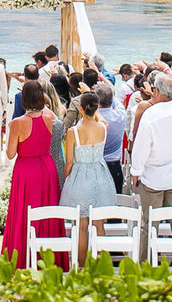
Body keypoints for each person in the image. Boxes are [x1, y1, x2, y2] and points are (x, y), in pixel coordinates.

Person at [1, 81, 65, 269]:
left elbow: (11, 153)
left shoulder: (17, 123)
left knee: (23, 214)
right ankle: (50, 260)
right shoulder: (50, 116)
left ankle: (22, 259)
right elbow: (59, 133)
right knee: (48, 213)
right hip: (47, 168)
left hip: (26, 172)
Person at [129, 61, 172, 262]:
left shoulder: (150, 116)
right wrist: (166, 69)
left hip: (152, 178)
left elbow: (141, 149)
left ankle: (146, 265)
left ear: (154, 91)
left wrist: (135, 172)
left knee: (148, 225)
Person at [59, 90, 116, 265]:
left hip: (80, 176)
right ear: (96, 108)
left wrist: (66, 180)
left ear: (81, 109)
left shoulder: (73, 132)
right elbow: (101, 119)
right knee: (99, 225)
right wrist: (95, 109)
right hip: (101, 176)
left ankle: (81, 266)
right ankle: (101, 266)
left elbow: (69, 162)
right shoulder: (103, 128)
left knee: (81, 227)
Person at [95, 81, 126, 194]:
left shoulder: (91, 120)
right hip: (115, 166)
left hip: (97, 166)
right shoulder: (121, 115)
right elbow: (117, 102)